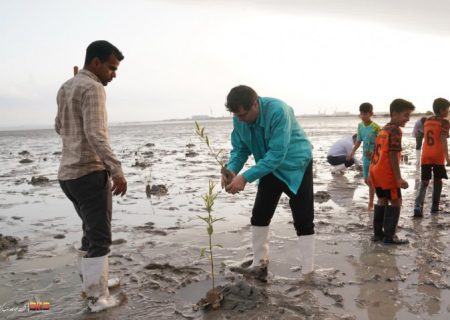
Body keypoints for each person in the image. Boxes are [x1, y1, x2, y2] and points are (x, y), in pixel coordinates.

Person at [55, 40, 127, 312]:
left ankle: (95, 282)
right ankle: (97, 299)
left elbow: (59, 126)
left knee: (90, 231)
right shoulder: (93, 87)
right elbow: (96, 135)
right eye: (111, 68)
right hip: (89, 173)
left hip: (68, 176)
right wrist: (117, 170)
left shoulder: (66, 86)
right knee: (100, 238)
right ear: (95, 63)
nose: (114, 74)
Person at [221, 85, 314, 277]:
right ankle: (259, 263)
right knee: (260, 214)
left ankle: (308, 271)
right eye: (236, 116)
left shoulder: (279, 111)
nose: (240, 120)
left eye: (244, 115)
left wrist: (245, 177)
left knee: (303, 218)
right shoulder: (239, 119)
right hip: (267, 166)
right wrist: (231, 170)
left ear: (255, 103)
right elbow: (240, 149)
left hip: (296, 165)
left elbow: (277, 154)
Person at [369, 98, 415, 244]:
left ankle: (378, 234)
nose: (408, 119)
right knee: (396, 202)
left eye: (409, 115)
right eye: (405, 115)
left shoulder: (383, 130)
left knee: (382, 199)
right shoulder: (395, 130)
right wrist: (398, 178)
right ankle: (389, 236)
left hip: (375, 171)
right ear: (394, 113)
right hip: (387, 174)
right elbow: (393, 155)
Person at [413, 98, 450, 217]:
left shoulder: (427, 121)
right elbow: (443, 139)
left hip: (426, 155)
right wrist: (447, 158)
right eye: (447, 109)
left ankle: (418, 205)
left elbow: (422, 133)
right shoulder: (444, 123)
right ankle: (434, 207)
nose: (448, 112)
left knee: (424, 181)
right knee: (438, 181)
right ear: (441, 110)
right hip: (438, 156)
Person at [348, 103, 381, 210]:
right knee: (366, 180)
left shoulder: (376, 128)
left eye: (365, 113)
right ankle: (379, 191)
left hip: (375, 158)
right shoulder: (360, 126)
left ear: (371, 114)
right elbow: (358, 141)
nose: (363, 116)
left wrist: (375, 153)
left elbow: (381, 143)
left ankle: (371, 203)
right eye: (361, 113)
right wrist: (352, 151)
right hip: (365, 158)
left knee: (371, 181)